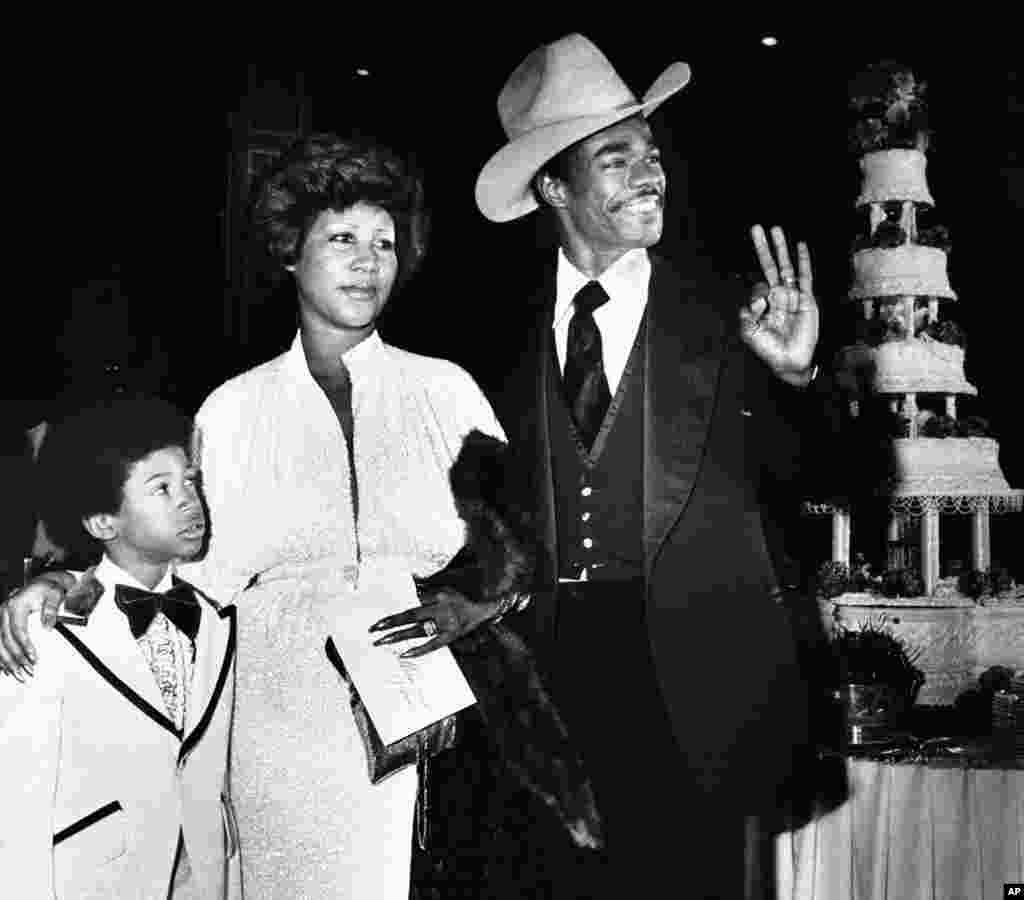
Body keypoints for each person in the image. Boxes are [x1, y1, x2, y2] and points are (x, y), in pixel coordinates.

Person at [0, 135, 509, 899]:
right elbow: (174, 573)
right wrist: (68, 583)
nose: (368, 261)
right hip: (282, 735)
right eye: (342, 239)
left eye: (384, 242)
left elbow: (518, 552)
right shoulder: (235, 410)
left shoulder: (449, 392)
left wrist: (470, 604)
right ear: (291, 253)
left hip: (441, 724)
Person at [468, 33, 831, 899]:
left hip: (697, 685)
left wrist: (795, 380)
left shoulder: (727, 312)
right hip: (541, 691)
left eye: (652, 153)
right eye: (616, 158)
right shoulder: (486, 335)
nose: (649, 174)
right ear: (554, 187)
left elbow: (819, 482)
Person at [0, 393, 238, 899]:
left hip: (202, 877)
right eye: (161, 488)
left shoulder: (216, 621)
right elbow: (17, 795)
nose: (189, 499)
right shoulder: (48, 628)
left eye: (191, 481)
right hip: (98, 881)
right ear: (103, 523)